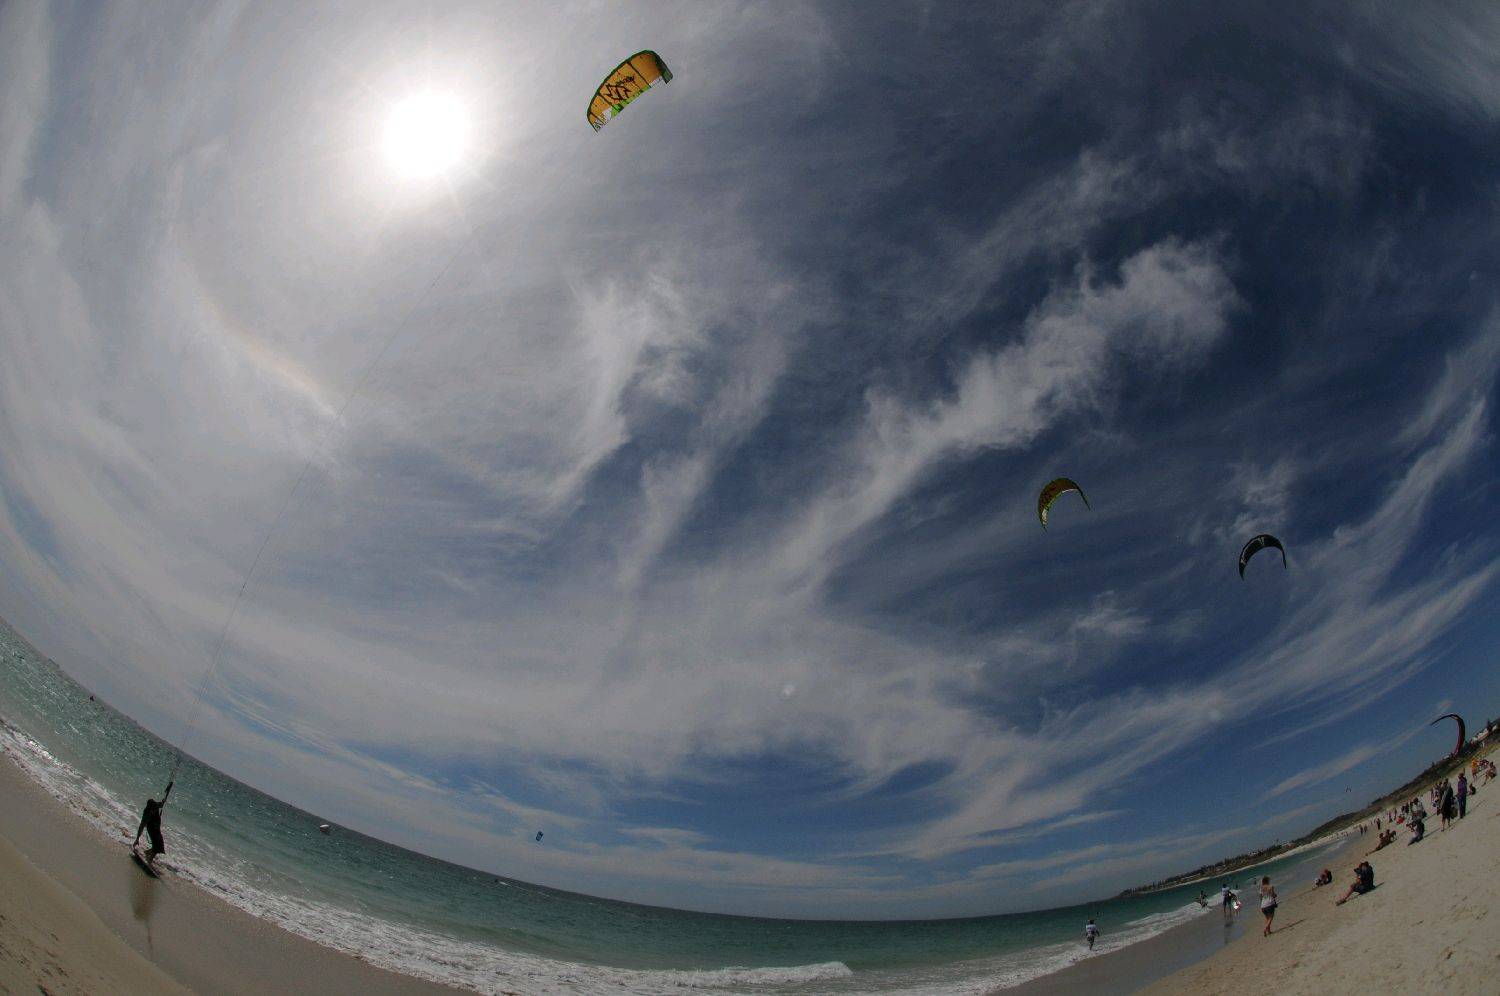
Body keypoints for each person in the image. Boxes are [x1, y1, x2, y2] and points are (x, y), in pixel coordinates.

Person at [133, 781, 173, 869]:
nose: (153, 810)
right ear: (149, 808)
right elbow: (141, 826)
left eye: (154, 809)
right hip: (152, 829)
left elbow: (161, 804)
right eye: (152, 809)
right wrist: (137, 839)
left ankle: (147, 853)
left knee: (160, 847)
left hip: (157, 829)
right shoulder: (146, 814)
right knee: (158, 846)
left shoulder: (155, 806)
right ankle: (149, 859)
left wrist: (168, 790)